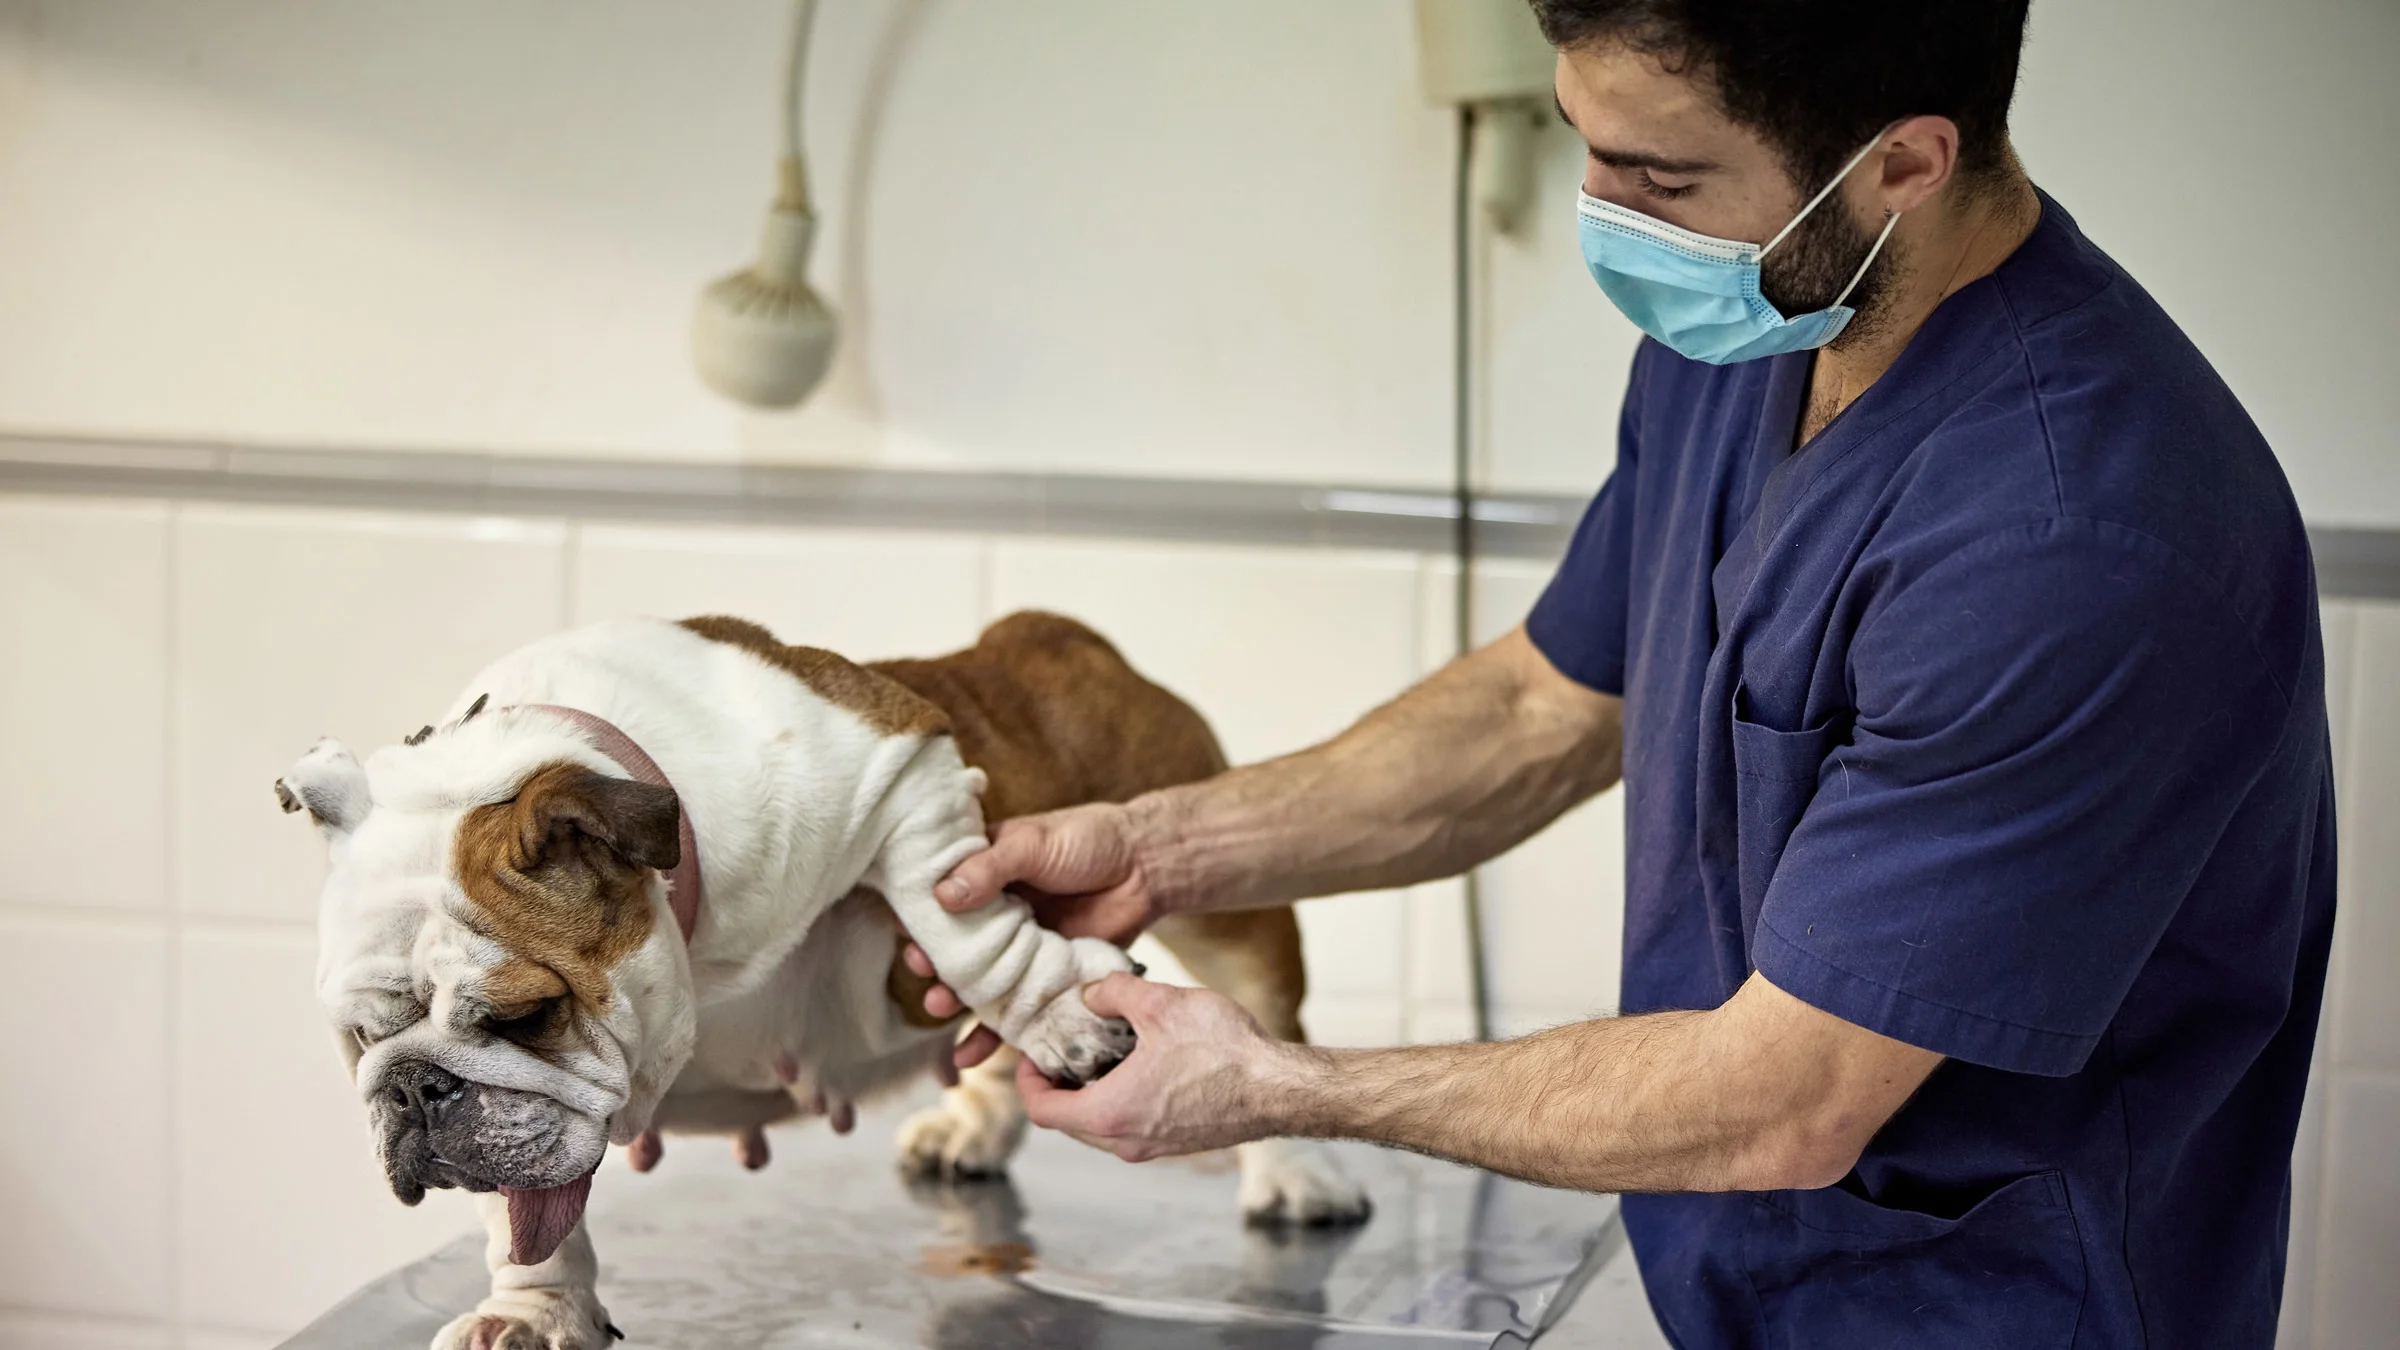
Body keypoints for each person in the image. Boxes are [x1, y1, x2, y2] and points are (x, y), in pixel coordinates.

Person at [901, 2, 2334, 1345]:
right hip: (1749, 1283)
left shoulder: (2076, 533)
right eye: (1582, 143)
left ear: (1902, 165)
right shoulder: (1759, 325)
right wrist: (1153, 848)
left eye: (1660, 177)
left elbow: (1787, 1100)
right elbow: (1540, 708)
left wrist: (1277, 1086)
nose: (1607, 212)